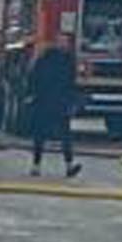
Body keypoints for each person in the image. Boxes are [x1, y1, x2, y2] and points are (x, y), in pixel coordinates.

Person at [25, 34, 82, 177]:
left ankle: (69, 166)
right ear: (57, 43)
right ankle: (36, 166)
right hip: (46, 101)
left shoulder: (68, 60)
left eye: (66, 42)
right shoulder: (47, 58)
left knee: (64, 136)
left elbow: (71, 83)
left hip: (58, 102)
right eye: (61, 41)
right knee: (41, 135)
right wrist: (32, 94)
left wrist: (72, 101)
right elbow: (34, 76)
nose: (64, 44)